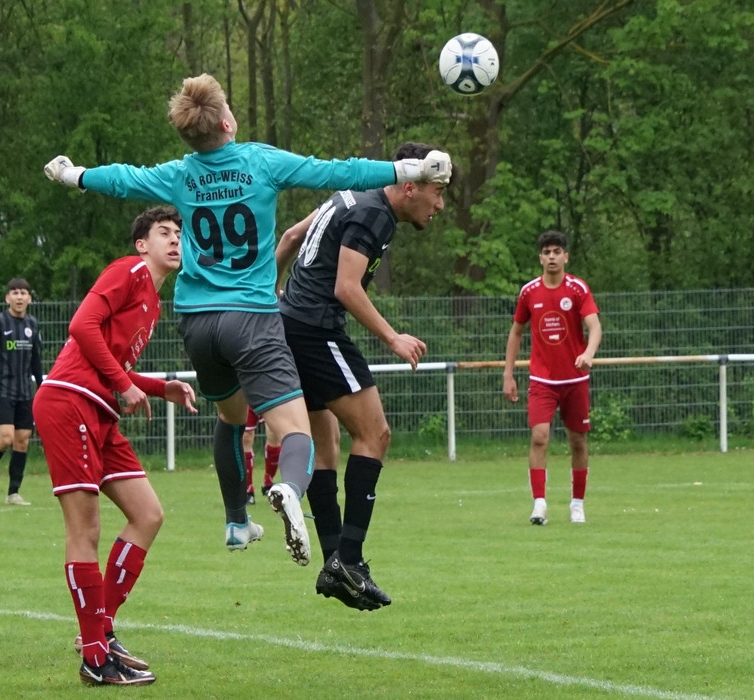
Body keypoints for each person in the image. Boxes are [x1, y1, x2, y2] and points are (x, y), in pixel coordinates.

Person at [43, 73, 451, 567]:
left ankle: (237, 521)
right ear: (227, 121)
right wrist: (408, 166)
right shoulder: (260, 161)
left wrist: (73, 175)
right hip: (251, 317)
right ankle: (286, 491)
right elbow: (337, 172)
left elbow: (123, 178)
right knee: (297, 431)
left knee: (232, 418)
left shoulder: (181, 174)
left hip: (196, 321)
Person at [274, 141, 453, 611]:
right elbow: (346, 287)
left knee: (325, 445)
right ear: (409, 186)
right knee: (375, 433)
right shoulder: (376, 212)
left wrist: (269, 297)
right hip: (315, 329)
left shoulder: (350, 193)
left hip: (290, 323)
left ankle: (335, 559)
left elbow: (292, 236)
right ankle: (349, 561)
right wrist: (393, 337)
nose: (440, 205)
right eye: (437, 193)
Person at [32, 206, 197, 687]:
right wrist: (126, 386)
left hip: (99, 411)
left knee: (148, 514)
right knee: (86, 529)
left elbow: (113, 361)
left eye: (179, 235)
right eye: (163, 233)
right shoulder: (128, 271)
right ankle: (94, 656)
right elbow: (82, 327)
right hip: (69, 401)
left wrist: (157, 385)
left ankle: (100, 632)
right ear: (142, 244)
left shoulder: (154, 301)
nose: (174, 241)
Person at [502, 230, 602, 526]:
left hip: (575, 380)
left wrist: (588, 354)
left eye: (557, 251)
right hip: (542, 381)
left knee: (578, 442)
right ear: (540, 258)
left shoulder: (578, 289)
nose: (552, 257)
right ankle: (539, 505)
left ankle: (577, 504)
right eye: (546, 252)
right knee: (539, 437)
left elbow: (595, 327)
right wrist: (508, 373)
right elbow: (516, 332)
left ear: (566, 256)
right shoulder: (529, 292)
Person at [0, 278, 43, 506]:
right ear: (8, 298)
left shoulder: (32, 325)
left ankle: (13, 493)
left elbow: (36, 361)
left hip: (25, 391)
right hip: (3, 389)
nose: (19, 296)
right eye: (15, 292)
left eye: (23, 292)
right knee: (6, 438)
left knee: (22, 441)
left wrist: (42, 388)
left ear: (29, 298)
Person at [242, 407, 280, 506]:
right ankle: (247, 489)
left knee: (274, 432)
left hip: (270, 393)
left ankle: (268, 482)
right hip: (246, 394)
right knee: (246, 435)